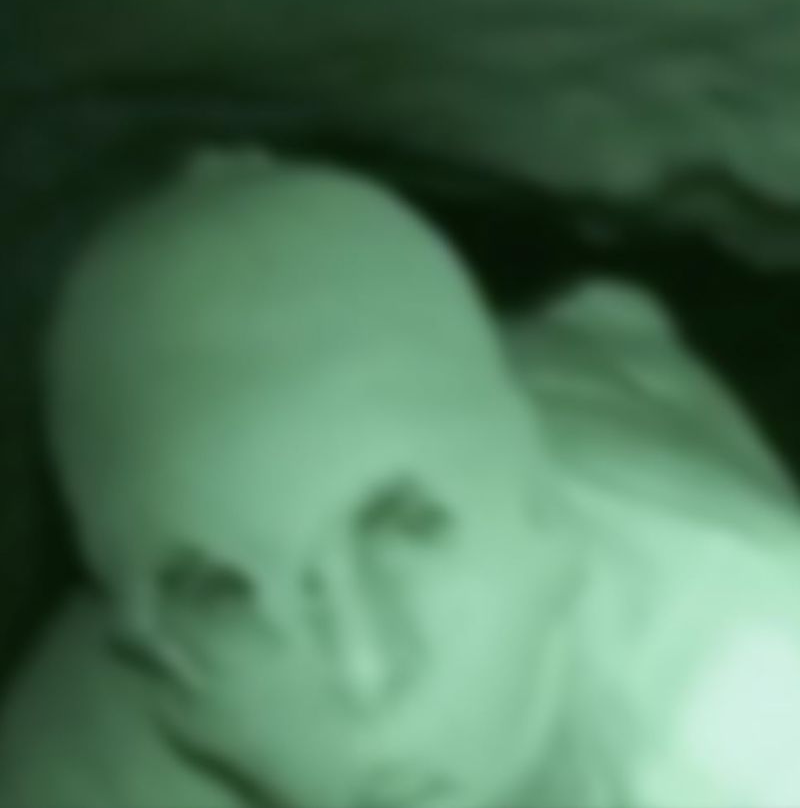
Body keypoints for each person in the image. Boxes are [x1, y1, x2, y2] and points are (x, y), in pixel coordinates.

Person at [1, 148, 799, 808]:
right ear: (157, 674)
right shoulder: (80, 761)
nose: (364, 669)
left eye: (407, 527)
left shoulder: (748, 715)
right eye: (228, 591)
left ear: (543, 515)